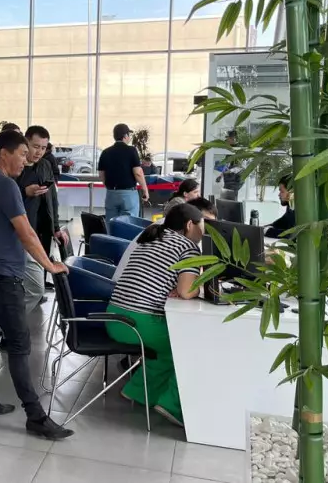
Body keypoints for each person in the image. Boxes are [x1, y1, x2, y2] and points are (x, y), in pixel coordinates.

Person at [0, 130, 74, 440]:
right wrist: (50, 265)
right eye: (23, 154)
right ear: (4, 153)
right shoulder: (6, 185)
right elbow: (26, 232)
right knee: (18, 344)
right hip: (2, 276)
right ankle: (35, 417)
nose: (26, 160)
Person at [105, 203, 205, 428]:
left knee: (164, 350)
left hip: (115, 318)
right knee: (187, 347)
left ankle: (138, 391)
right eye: (203, 226)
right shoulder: (188, 247)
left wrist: (179, 287)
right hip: (140, 324)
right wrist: (198, 287)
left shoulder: (151, 238)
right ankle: (172, 406)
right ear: (190, 225)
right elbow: (187, 292)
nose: (204, 232)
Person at [16, 126, 66, 313]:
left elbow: (52, 198)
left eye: (43, 148)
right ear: (25, 143)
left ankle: (12, 321)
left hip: (41, 229)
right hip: (21, 230)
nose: (39, 152)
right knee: (24, 280)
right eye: (35, 146)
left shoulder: (45, 165)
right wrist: (25, 192)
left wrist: (56, 227)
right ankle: (10, 321)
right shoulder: (16, 167)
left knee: (36, 282)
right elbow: (4, 197)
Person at [113, 197, 216, 282]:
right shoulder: (181, 240)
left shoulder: (164, 227)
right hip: (127, 288)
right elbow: (186, 287)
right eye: (206, 222)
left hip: (122, 288)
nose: (209, 227)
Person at [98, 123, 149, 220]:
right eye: (129, 135)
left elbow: (101, 174)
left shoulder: (105, 152)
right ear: (125, 136)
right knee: (128, 224)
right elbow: (138, 172)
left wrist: (110, 187)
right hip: (128, 194)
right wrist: (145, 190)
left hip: (111, 194)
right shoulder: (131, 150)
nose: (129, 138)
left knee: (111, 223)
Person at [215, 130, 244, 201]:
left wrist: (227, 172)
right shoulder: (229, 150)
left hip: (234, 179)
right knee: (226, 199)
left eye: (227, 138)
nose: (226, 140)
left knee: (229, 199)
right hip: (229, 178)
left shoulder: (238, 149)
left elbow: (239, 167)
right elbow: (227, 164)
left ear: (232, 138)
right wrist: (221, 176)